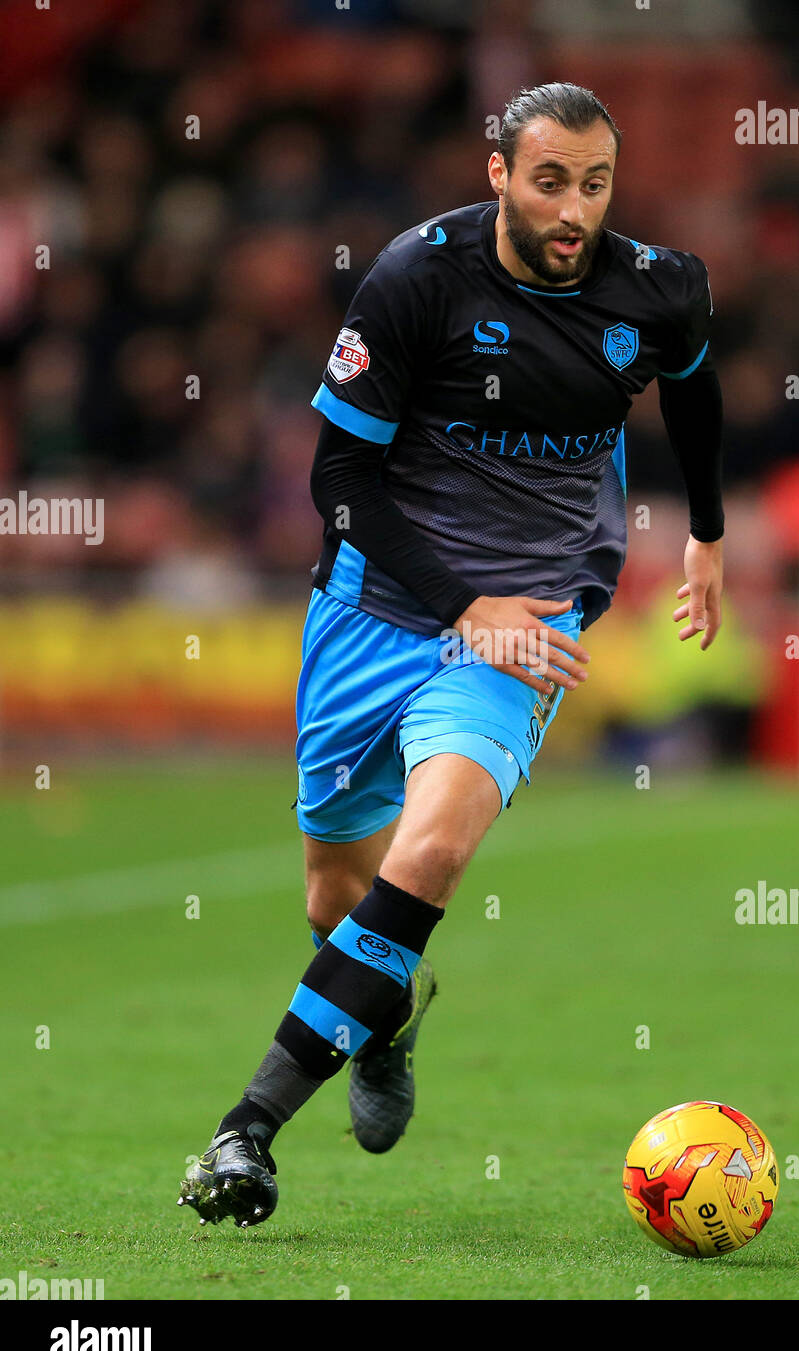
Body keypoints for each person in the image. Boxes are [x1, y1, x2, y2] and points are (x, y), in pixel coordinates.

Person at [178, 81, 724, 1228]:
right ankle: (383, 1021)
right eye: (549, 181)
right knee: (339, 901)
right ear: (497, 175)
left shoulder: (657, 288)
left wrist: (707, 539)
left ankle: (246, 1130)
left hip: (528, 622)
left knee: (425, 859)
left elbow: (695, 385)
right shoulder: (415, 279)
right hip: (372, 610)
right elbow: (338, 483)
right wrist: (457, 601)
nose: (574, 209)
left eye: (595, 183)